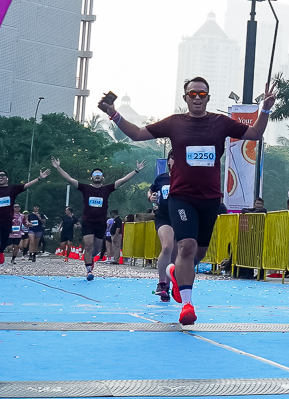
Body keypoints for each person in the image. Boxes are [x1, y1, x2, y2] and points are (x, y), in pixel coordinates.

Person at [100, 75, 276, 326]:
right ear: (185, 98)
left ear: (208, 97)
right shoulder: (174, 123)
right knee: (186, 246)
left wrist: (265, 109)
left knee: (198, 253)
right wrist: (113, 114)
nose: (197, 98)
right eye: (192, 94)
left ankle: (176, 272)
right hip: (182, 197)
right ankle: (187, 305)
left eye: (202, 94)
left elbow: (255, 134)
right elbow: (138, 134)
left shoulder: (220, 122)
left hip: (210, 199)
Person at [51, 157, 145, 281]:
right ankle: (89, 270)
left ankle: (91, 259)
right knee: (88, 245)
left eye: (99, 174)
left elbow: (122, 180)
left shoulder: (107, 189)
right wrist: (58, 167)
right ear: (91, 177)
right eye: (95, 174)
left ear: (102, 178)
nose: (97, 176)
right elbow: (69, 178)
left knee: (95, 250)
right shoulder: (85, 188)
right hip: (88, 222)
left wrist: (136, 170)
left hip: (101, 223)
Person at [149, 158, 177, 302]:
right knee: (167, 247)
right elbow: (151, 190)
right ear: (168, 161)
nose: (176, 160)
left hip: (181, 216)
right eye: (173, 158)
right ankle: (161, 284)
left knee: (175, 255)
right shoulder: (162, 178)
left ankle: (168, 286)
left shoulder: (188, 177)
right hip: (164, 216)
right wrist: (151, 197)